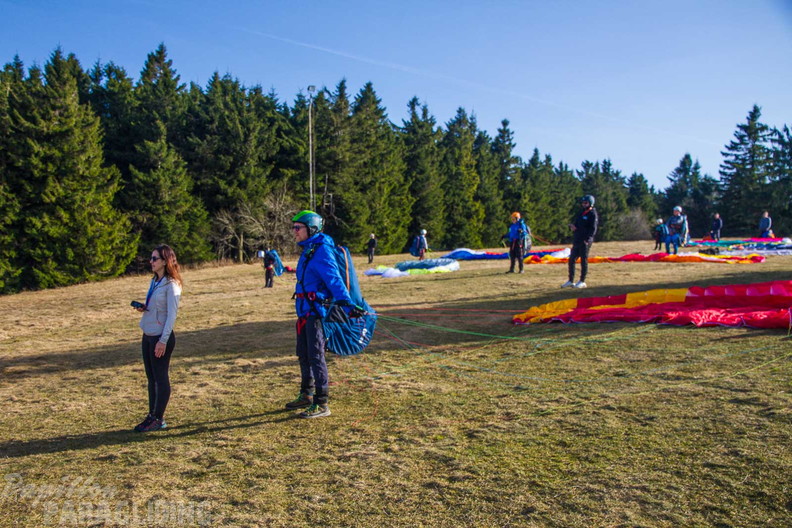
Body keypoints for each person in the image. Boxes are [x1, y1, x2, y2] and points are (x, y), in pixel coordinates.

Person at [287, 210, 358, 419]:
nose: (294, 232)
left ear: (312, 229)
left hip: (316, 313)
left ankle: (321, 403)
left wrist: (346, 303)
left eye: (298, 228)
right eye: (294, 228)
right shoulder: (309, 249)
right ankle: (306, 394)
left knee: (316, 356)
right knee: (304, 354)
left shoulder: (322, 250)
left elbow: (334, 279)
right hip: (304, 311)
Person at [133, 244, 182, 432]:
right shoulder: (155, 281)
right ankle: (151, 415)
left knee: (160, 378)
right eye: (151, 258)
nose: (151, 262)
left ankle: (159, 419)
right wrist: (144, 308)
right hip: (148, 334)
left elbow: (172, 314)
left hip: (160, 338)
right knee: (151, 377)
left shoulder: (172, 284)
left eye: (155, 259)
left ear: (165, 261)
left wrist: (163, 340)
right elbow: (157, 307)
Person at [561, 195, 598, 289]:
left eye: (586, 203)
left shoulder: (593, 214)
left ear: (590, 203)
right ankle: (571, 280)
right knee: (571, 260)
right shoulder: (581, 213)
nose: (583, 204)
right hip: (577, 239)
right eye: (583, 203)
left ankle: (582, 281)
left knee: (583, 261)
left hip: (585, 241)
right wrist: (573, 227)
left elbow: (593, 229)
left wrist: (588, 239)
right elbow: (577, 225)